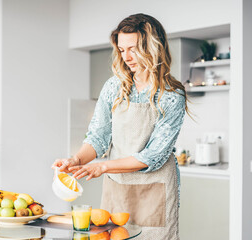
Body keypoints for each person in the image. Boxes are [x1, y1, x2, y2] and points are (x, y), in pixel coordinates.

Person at [52, 13, 190, 240]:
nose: (126, 56)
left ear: (153, 47)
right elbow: (97, 137)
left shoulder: (171, 95)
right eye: (122, 49)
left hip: (154, 189)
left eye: (133, 48)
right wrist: (76, 160)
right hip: (118, 187)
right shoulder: (114, 86)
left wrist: (103, 167)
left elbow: (152, 156)